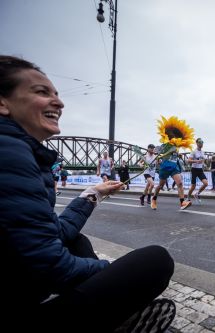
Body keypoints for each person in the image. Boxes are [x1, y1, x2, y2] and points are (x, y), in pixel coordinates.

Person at [0, 55, 175, 331]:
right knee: (156, 261)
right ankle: (116, 321)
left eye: (56, 93)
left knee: (76, 242)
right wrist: (111, 274)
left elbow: (49, 234)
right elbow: (50, 266)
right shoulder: (8, 152)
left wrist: (93, 193)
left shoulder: (17, 148)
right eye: (42, 92)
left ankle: (118, 315)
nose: (59, 102)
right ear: (2, 103)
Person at [187, 138, 209, 203]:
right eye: (200, 142)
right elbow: (188, 160)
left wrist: (204, 164)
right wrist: (196, 161)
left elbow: (203, 160)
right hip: (194, 170)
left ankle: (197, 194)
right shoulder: (194, 151)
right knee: (193, 186)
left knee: (206, 183)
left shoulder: (203, 152)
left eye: (202, 142)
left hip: (200, 170)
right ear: (196, 143)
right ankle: (188, 197)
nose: (201, 143)